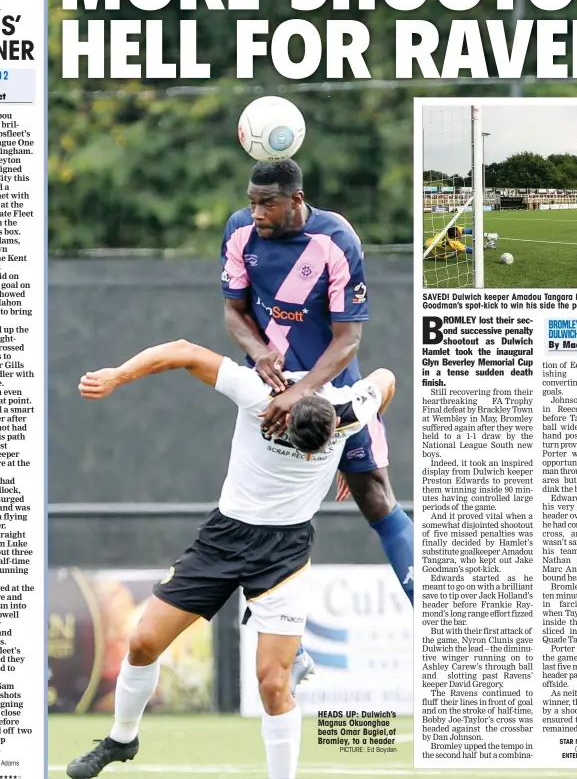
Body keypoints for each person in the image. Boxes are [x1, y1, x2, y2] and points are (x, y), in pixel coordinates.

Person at [66, 338, 396, 779]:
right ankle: (122, 739)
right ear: (282, 422)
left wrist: (355, 456)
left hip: (285, 553)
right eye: (307, 449)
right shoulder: (257, 392)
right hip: (223, 539)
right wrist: (118, 375)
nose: (314, 457)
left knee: (273, 684)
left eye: (320, 451)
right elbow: (183, 351)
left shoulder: (347, 412)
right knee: (143, 642)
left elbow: (386, 381)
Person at [221, 159, 414, 607]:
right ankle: (290, 645)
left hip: (335, 391)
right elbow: (234, 311)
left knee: (375, 496)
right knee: (257, 510)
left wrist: (303, 394)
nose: (257, 214)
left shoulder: (336, 239)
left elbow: (350, 339)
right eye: (251, 203)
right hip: (269, 393)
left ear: (296, 200)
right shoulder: (239, 231)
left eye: (267, 204)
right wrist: (258, 351)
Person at [424, 224, 498, 259]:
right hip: (432, 250)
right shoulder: (454, 244)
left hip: (430, 241)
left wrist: (486, 235)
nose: (460, 233)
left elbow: (469, 231)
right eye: (458, 234)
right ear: (453, 237)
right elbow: (470, 250)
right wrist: (485, 247)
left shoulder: (452, 230)